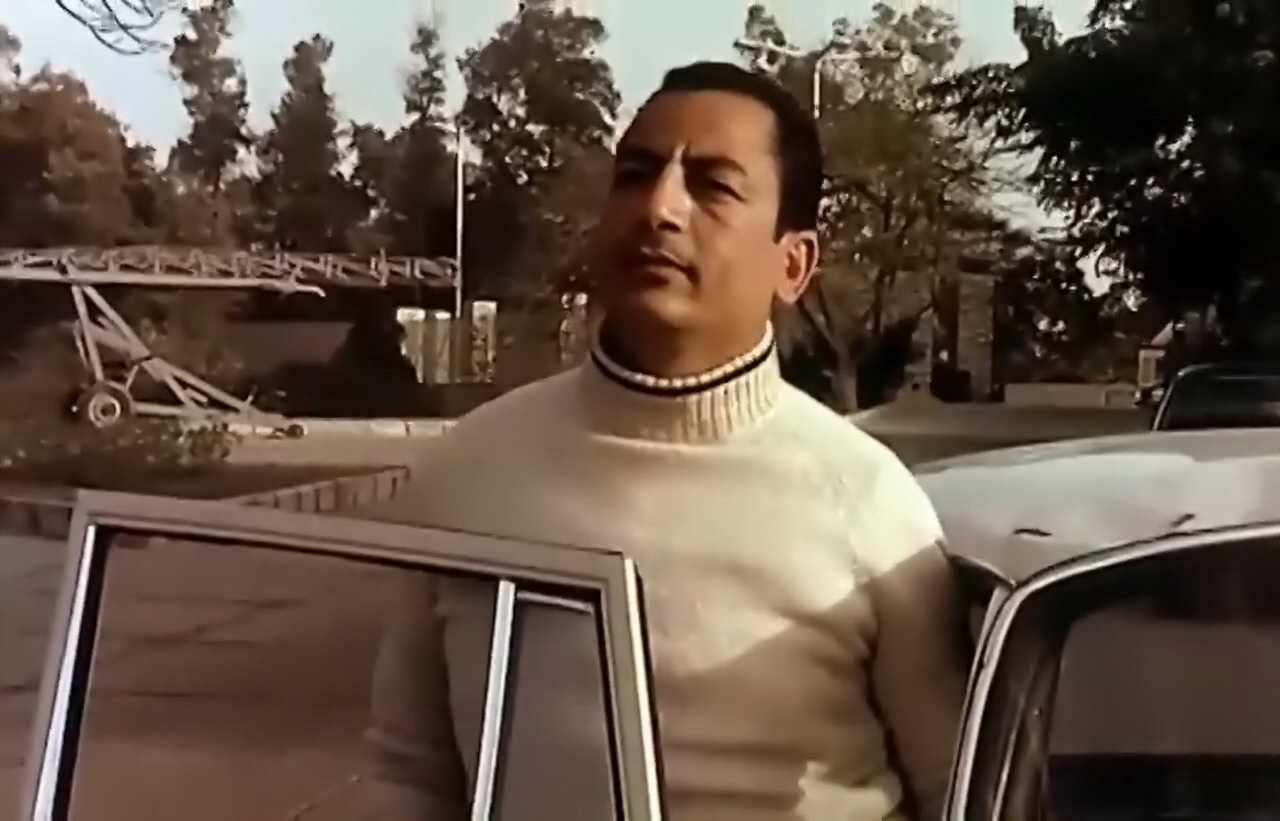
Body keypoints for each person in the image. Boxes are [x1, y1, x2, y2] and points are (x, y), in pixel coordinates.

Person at [366, 61, 969, 821]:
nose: (659, 208)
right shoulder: (471, 469)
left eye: (713, 185)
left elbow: (956, 789)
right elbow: (411, 771)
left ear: (793, 263)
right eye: (635, 175)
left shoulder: (868, 501)